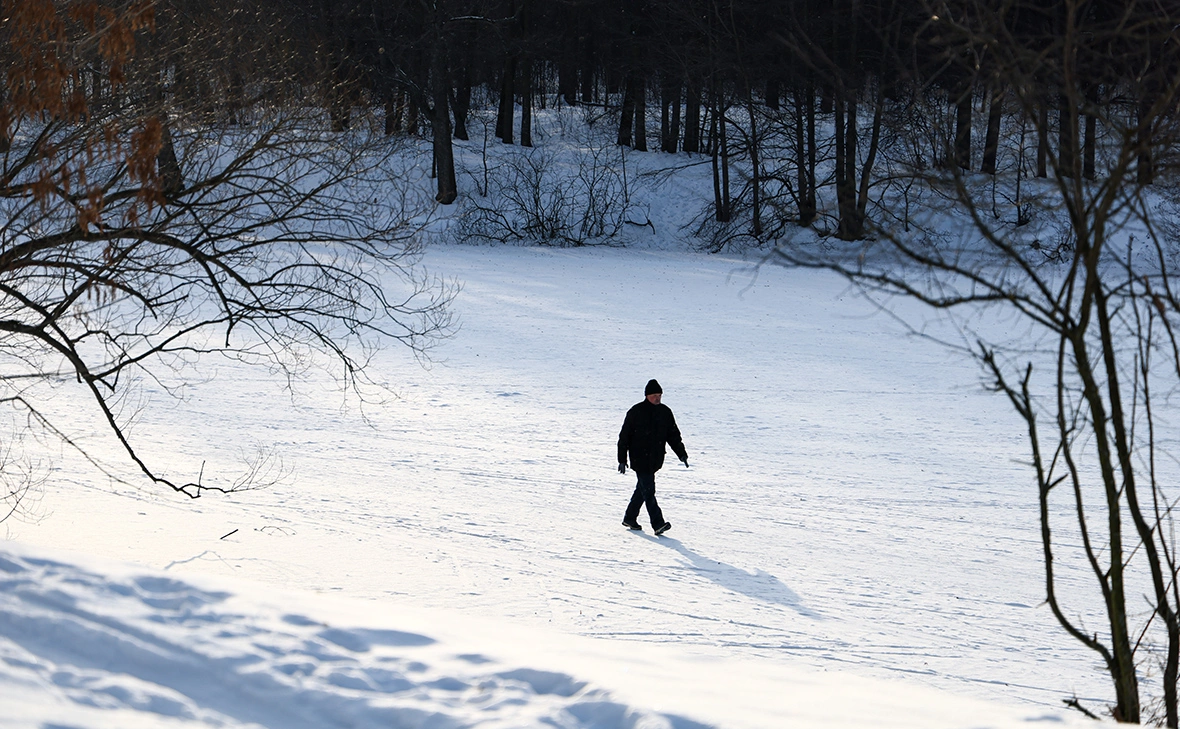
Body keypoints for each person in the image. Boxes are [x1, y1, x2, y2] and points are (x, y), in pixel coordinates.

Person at [617, 379, 688, 535]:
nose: (657, 398)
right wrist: (622, 459)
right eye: (654, 395)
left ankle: (630, 518)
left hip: (655, 459)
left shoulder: (665, 412)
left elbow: (673, 435)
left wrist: (681, 453)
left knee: (642, 489)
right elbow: (624, 437)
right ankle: (658, 524)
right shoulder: (636, 411)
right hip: (639, 458)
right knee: (649, 491)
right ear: (647, 396)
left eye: (659, 395)